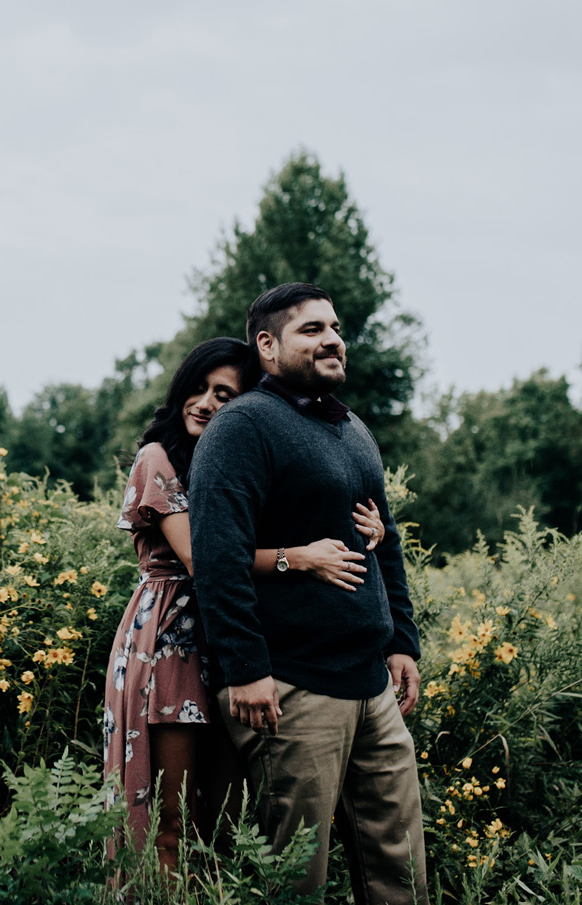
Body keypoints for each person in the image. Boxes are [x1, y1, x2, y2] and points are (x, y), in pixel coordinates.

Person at [102, 336, 387, 872]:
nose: (208, 403)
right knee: (172, 819)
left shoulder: (239, 461)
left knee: (231, 820)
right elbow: (204, 559)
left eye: (226, 396)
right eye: (200, 389)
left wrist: (369, 529)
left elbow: (298, 510)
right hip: (171, 643)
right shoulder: (157, 459)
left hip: (231, 643)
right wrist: (298, 558)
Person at [187, 283, 427, 904]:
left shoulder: (352, 429)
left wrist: (403, 641)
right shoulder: (241, 428)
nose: (333, 340)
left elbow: (387, 541)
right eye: (312, 330)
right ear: (267, 346)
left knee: (400, 868)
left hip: (371, 684)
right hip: (292, 688)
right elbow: (218, 559)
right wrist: (245, 669)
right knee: (295, 878)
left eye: (335, 327)